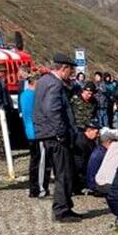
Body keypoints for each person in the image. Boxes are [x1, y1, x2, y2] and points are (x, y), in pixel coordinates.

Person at [34, 54, 83, 223]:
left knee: (63, 171)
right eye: (71, 70)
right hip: (55, 135)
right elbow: (52, 110)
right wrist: (61, 132)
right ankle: (62, 210)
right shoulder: (54, 84)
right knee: (64, 173)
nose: (72, 74)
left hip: (46, 133)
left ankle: (65, 205)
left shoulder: (43, 81)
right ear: (63, 68)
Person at [20, 73, 50, 198]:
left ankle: (33, 187)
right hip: (38, 132)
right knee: (42, 162)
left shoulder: (23, 95)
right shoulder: (35, 96)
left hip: (29, 131)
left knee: (34, 161)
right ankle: (40, 187)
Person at [86, 128, 117, 195]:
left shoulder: (100, 150)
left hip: (93, 182)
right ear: (109, 142)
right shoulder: (104, 154)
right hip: (97, 185)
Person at [73, 121, 100, 194]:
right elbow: (79, 162)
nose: (98, 135)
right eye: (96, 132)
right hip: (80, 172)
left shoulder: (91, 141)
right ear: (89, 130)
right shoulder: (81, 141)